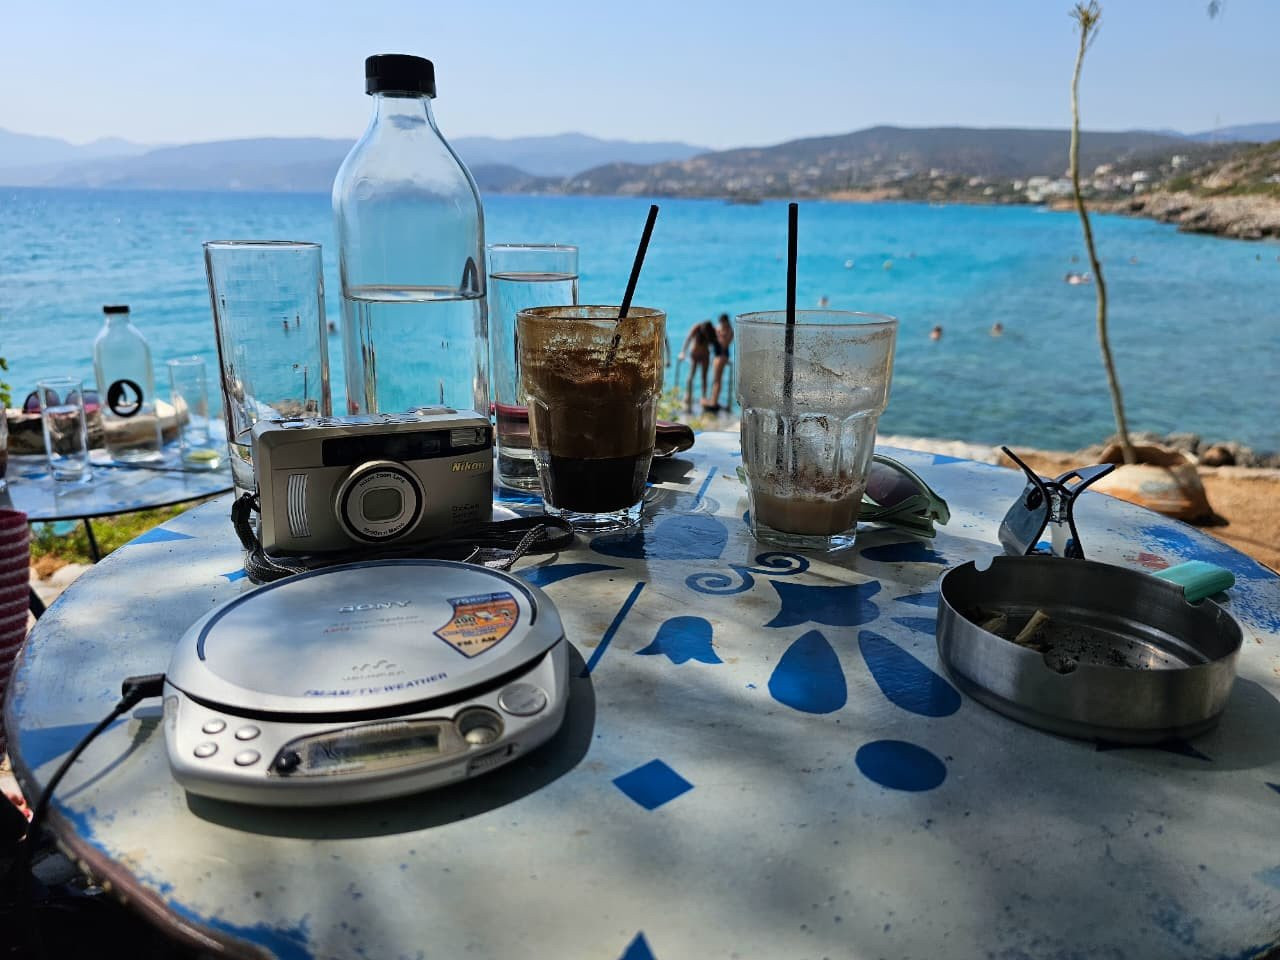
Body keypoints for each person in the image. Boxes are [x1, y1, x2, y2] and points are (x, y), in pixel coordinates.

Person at [677, 320, 713, 413]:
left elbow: (716, 343)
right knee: (691, 376)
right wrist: (683, 352)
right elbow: (688, 339)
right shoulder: (697, 328)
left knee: (704, 377)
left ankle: (704, 398)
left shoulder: (711, 331)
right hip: (695, 354)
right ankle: (688, 395)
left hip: (705, 355)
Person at [704, 314, 735, 413]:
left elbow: (724, 345)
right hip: (717, 355)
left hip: (722, 356)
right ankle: (713, 400)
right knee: (715, 380)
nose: (722, 324)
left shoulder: (729, 331)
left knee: (717, 380)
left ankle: (714, 402)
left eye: (723, 322)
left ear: (726, 321)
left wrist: (719, 335)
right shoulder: (720, 328)